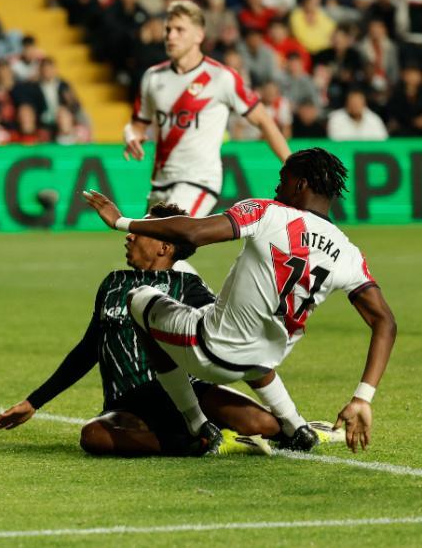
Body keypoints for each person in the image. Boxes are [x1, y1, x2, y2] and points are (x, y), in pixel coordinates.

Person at [83, 148, 397, 454]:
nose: (277, 186)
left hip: (208, 349)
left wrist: (122, 222)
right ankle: (294, 425)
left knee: (138, 299)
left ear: (301, 184)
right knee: (254, 326)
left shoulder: (268, 212)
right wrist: (362, 398)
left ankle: (196, 424)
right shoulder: (349, 254)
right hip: (263, 361)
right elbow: (385, 322)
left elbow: (194, 232)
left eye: (283, 179)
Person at [0, 203, 346, 456]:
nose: (130, 237)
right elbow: (88, 349)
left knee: (264, 424)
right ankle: (195, 443)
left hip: (190, 390)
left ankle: (302, 427)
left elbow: (225, 336)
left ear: (164, 244)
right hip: (129, 400)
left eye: (142, 231)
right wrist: (34, 402)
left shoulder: (190, 287)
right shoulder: (113, 283)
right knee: (94, 436)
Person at [124, 0, 291, 220]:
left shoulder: (221, 77)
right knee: (144, 253)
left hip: (199, 181)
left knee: (162, 242)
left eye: (179, 30)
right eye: (168, 29)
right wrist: (130, 136)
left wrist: (292, 165)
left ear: (199, 35)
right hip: (160, 181)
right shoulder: (153, 77)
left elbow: (262, 120)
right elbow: (137, 125)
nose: (170, 36)